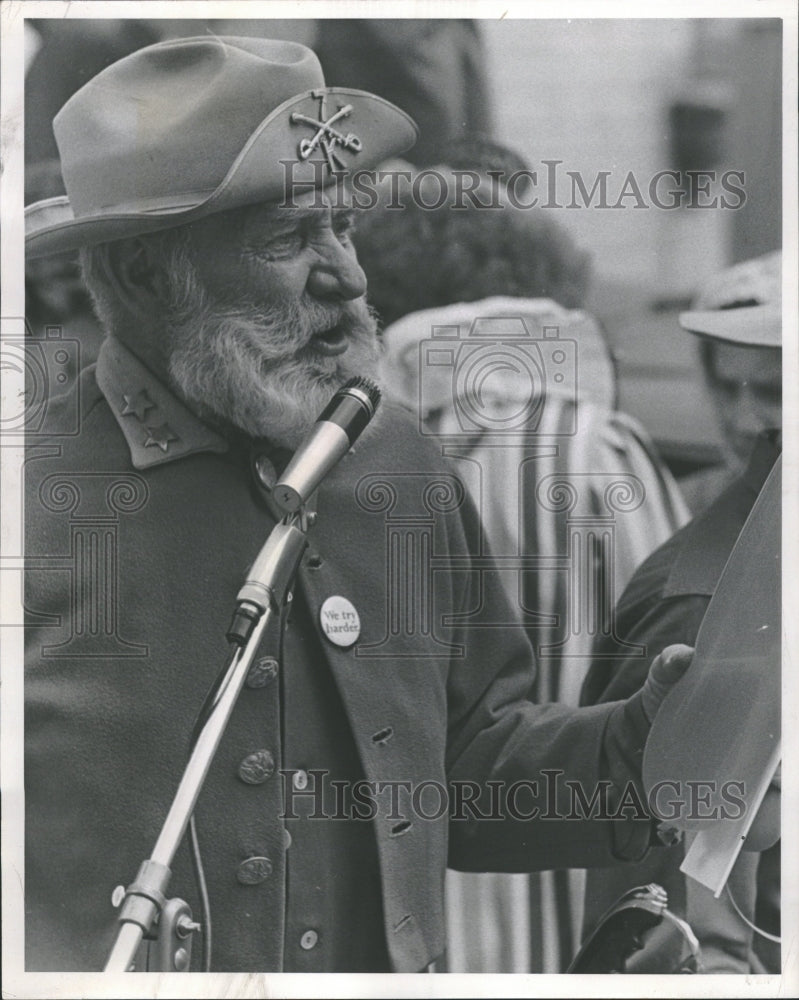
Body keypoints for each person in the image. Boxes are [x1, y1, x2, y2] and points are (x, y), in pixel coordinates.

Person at [25, 36, 693, 974]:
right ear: (141, 275)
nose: (348, 278)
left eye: (344, 228)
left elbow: (460, 769)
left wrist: (643, 748)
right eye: (289, 241)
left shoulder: (397, 460)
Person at [579, 253, 782, 973]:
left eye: (775, 391)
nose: (748, 418)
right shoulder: (711, 600)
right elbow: (662, 920)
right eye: (727, 386)